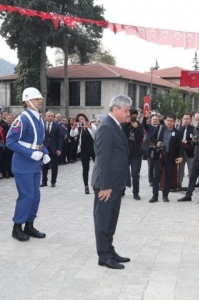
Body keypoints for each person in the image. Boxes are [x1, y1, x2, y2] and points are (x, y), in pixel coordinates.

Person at [92, 95, 132, 270]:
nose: (128, 114)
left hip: (116, 183)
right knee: (103, 220)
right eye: (126, 110)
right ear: (115, 109)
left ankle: (109, 249)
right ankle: (104, 255)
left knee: (111, 220)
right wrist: (106, 185)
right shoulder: (107, 127)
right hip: (106, 185)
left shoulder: (116, 126)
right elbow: (102, 158)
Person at [6, 87, 50, 242]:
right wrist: (30, 153)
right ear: (28, 101)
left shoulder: (39, 118)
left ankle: (29, 225)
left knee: (35, 196)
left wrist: (45, 153)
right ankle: (17, 227)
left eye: (40, 99)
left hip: (34, 164)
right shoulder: (22, 119)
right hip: (23, 163)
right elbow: (10, 141)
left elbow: (38, 142)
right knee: (26, 196)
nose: (40, 101)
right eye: (37, 99)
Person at [149, 115, 184, 203]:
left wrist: (181, 157)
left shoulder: (177, 132)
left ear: (174, 122)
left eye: (171, 121)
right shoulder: (160, 128)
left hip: (170, 157)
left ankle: (165, 195)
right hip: (160, 156)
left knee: (168, 177)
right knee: (156, 176)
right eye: (168, 120)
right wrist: (157, 142)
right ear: (165, 121)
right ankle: (155, 196)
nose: (169, 122)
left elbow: (180, 146)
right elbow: (152, 138)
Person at [70, 113, 96, 194]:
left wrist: (90, 127)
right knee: (85, 168)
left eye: (83, 118)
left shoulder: (91, 124)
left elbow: (97, 132)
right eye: (80, 119)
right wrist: (73, 128)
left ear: (85, 118)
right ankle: (86, 186)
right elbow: (72, 134)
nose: (82, 120)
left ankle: (96, 185)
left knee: (97, 168)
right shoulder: (79, 128)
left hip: (93, 149)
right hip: (84, 150)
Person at [123, 108, 144, 200]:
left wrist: (136, 128)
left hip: (136, 154)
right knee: (123, 173)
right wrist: (127, 123)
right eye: (132, 115)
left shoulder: (139, 126)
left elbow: (140, 138)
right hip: (125, 154)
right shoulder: (124, 125)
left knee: (135, 174)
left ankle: (136, 193)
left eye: (135, 115)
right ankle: (121, 190)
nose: (133, 117)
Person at [41, 111, 63, 188]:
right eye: (49, 116)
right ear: (45, 117)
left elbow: (60, 138)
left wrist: (59, 149)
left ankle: (53, 181)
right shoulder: (42, 125)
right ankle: (44, 181)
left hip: (54, 149)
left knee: (54, 166)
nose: (50, 117)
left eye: (52, 116)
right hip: (44, 148)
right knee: (44, 165)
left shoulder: (57, 126)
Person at [141, 112, 160, 186]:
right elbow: (143, 124)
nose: (155, 120)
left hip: (158, 148)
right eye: (153, 119)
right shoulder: (149, 127)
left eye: (156, 119)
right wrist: (145, 118)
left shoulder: (160, 127)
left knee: (157, 165)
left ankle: (157, 179)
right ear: (151, 121)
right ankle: (151, 180)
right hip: (150, 149)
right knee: (151, 165)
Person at [177, 114, 194, 191]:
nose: (186, 120)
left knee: (191, 169)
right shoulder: (179, 128)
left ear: (190, 120)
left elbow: (195, 140)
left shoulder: (194, 129)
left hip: (190, 152)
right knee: (180, 169)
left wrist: (187, 141)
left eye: (187, 119)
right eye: (184, 119)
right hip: (181, 152)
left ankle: (191, 185)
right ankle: (179, 183)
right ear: (182, 120)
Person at [1, 114, 15, 178]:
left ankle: (10, 172)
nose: (10, 119)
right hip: (6, 145)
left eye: (11, 118)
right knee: (5, 160)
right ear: (6, 119)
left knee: (10, 159)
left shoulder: (13, 126)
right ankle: (5, 172)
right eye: (8, 118)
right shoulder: (3, 126)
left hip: (11, 145)